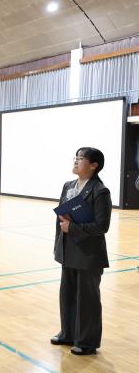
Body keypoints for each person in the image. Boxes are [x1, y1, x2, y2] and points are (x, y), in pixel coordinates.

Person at [51, 147, 111, 356]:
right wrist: (58, 244)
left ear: (94, 165)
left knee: (87, 299)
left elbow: (102, 226)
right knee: (66, 295)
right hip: (68, 250)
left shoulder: (100, 191)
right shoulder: (68, 186)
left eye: (81, 158)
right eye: (75, 158)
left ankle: (87, 341)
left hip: (88, 254)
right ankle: (68, 333)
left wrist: (73, 228)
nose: (76, 161)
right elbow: (60, 219)